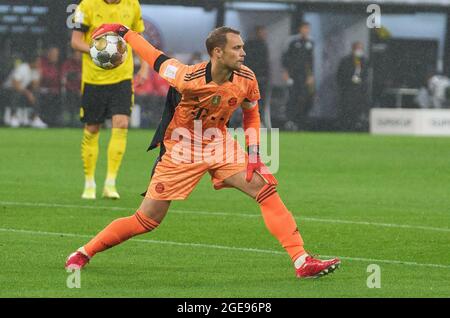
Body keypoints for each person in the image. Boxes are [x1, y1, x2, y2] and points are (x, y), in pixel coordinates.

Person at [65, 24, 340, 279]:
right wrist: (124, 32)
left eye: (243, 47)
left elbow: (251, 116)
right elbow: (155, 57)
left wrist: (254, 154)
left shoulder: (247, 78)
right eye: (237, 48)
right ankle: (84, 252)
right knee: (146, 220)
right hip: (181, 149)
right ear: (217, 52)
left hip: (218, 142)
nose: (243, 52)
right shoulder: (187, 77)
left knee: (265, 190)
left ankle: (301, 260)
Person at [71, 0, 149, 199]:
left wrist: (145, 65)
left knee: (121, 123)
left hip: (122, 78)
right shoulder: (86, 5)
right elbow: (76, 41)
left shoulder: (132, 4)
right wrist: (100, 51)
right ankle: (89, 183)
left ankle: (110, 183)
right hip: (93, 79)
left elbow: (138, 37)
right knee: (92, 128)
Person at [281, 22, 315, 130]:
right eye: (304, 28)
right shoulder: (292, 41)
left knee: (305, 98)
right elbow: (285, 57)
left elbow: (311, 61)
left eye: (308, 28)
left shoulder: (310, 42)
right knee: (292, 97)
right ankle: (290, 121)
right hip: (293, 75)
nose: (306, 30)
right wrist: (286, 72)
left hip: (304, 76)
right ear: (300, 29)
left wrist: (311, 75)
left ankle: (300, 121)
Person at [2, 54, 47, 128]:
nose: (39, 64)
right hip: (7, 90)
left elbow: (34, 86)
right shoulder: (22, 68)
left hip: (22, 91)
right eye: (38, 62)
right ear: (33, 62)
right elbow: (15, 84)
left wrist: (39, 75)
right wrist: (28, 93)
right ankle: (13, 117)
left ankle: (35, 118)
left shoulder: (35, 70)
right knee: (15, 93)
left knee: (37, 93)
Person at [336, 41, 369, 131]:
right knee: (346, 112)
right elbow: (340, 76)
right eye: (358, 48)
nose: (360, 50)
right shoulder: (345, 61)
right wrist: (350, 80)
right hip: (347, 92)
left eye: (361, 48)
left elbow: (365, 76)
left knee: (357, 112)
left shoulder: (364, 61)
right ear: (353, 49)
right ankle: (345, 128)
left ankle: (356, 127)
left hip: (359, 92)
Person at [244, 26, 270, 119]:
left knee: (260, 100)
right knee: (249, 100)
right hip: (251, 78)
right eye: (262, 32)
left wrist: (267, 76)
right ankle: (247, 120)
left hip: (262, 78)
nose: (264, 34)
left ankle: (259, 120)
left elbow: (266, 63)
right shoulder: (249, 45)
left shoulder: (264, 45)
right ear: (257, 32)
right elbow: (246, 61)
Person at [38, 46, 61, 127]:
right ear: (48, 54)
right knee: (49, 96)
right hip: (42, 90)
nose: (55, 56)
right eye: (53, 54)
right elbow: (43, 77)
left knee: (57, 97)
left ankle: (55, 121)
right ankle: (45, 120)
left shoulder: (57, 66)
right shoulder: (42, 63)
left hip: (55, 91)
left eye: (56, 55)